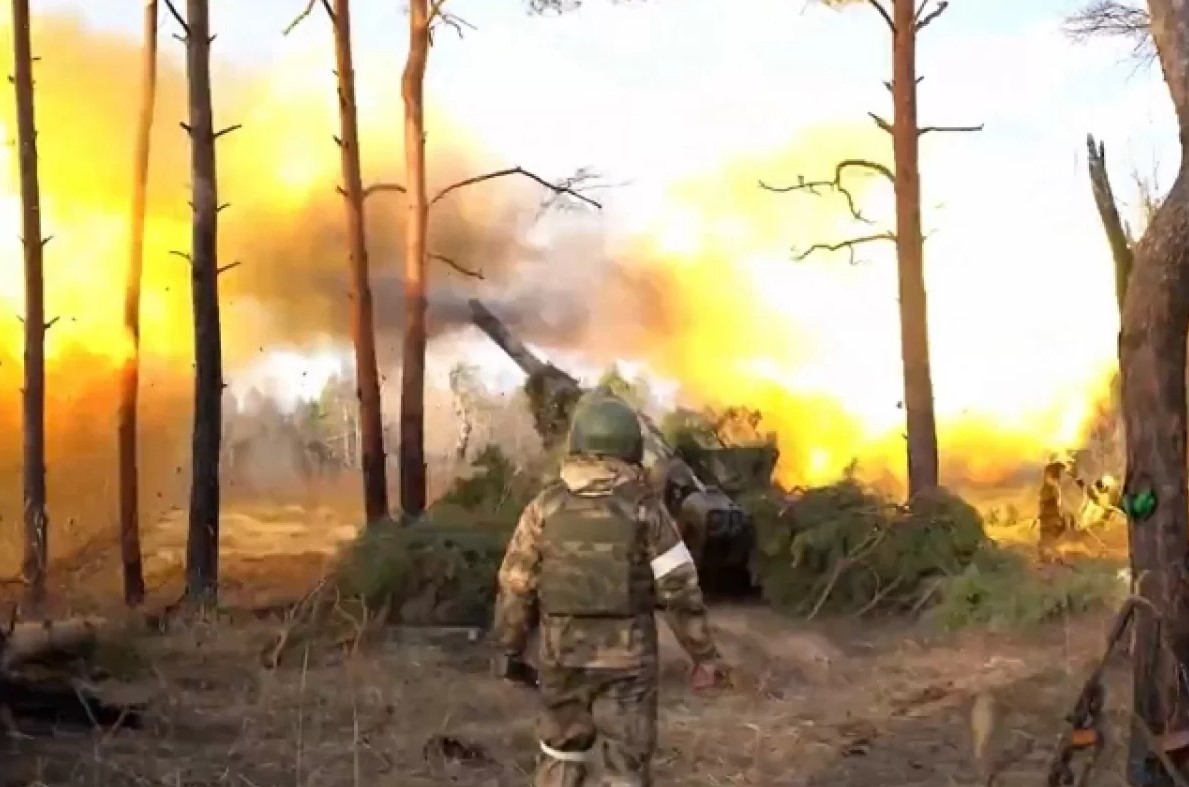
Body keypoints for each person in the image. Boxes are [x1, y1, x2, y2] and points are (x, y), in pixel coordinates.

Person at [492, 391, 727, 787]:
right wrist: (704, 655)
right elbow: (679, 588)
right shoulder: (645, 509)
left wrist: (510, 650)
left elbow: (515, 587)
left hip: (561, 656)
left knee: (561, 755)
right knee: (626, 768)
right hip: (628, 664)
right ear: (631, 447)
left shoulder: (543, 508)